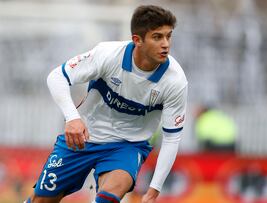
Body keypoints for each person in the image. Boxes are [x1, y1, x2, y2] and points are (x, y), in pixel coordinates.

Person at [25, 5, 187, 203]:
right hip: (83, 138)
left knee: (107, 198)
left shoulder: (175, 81)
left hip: (127, 146)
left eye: (168, 36)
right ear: (137, 40)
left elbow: (171, 138)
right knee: (41, 200)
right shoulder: (108, 54)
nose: (165, 44)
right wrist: (72, 118)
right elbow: (56, 76)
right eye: (157, 37)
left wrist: (154, 189)